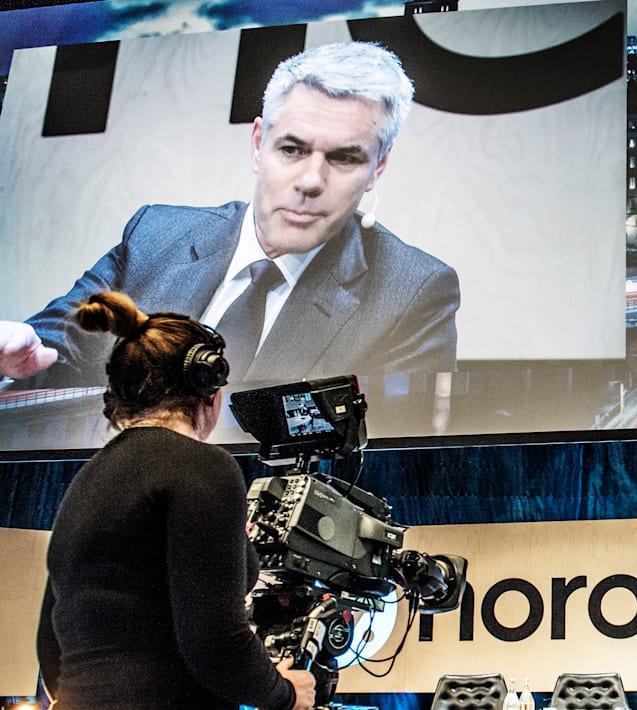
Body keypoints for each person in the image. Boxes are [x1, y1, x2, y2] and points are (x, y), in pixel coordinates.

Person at [0, 41, 460, 388]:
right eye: (292, 149)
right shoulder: (155, 234)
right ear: (259, 144)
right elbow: (58, 343)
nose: (310, 180)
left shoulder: (412, 293)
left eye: (344, 158)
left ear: (377, 167)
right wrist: (18, 348)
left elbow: (384, 453)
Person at [33, 291, 316, 709]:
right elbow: (216, 643)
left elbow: (51, 645)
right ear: (209, 389)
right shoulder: (204, 467)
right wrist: (286, 694)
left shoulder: (88, 477)